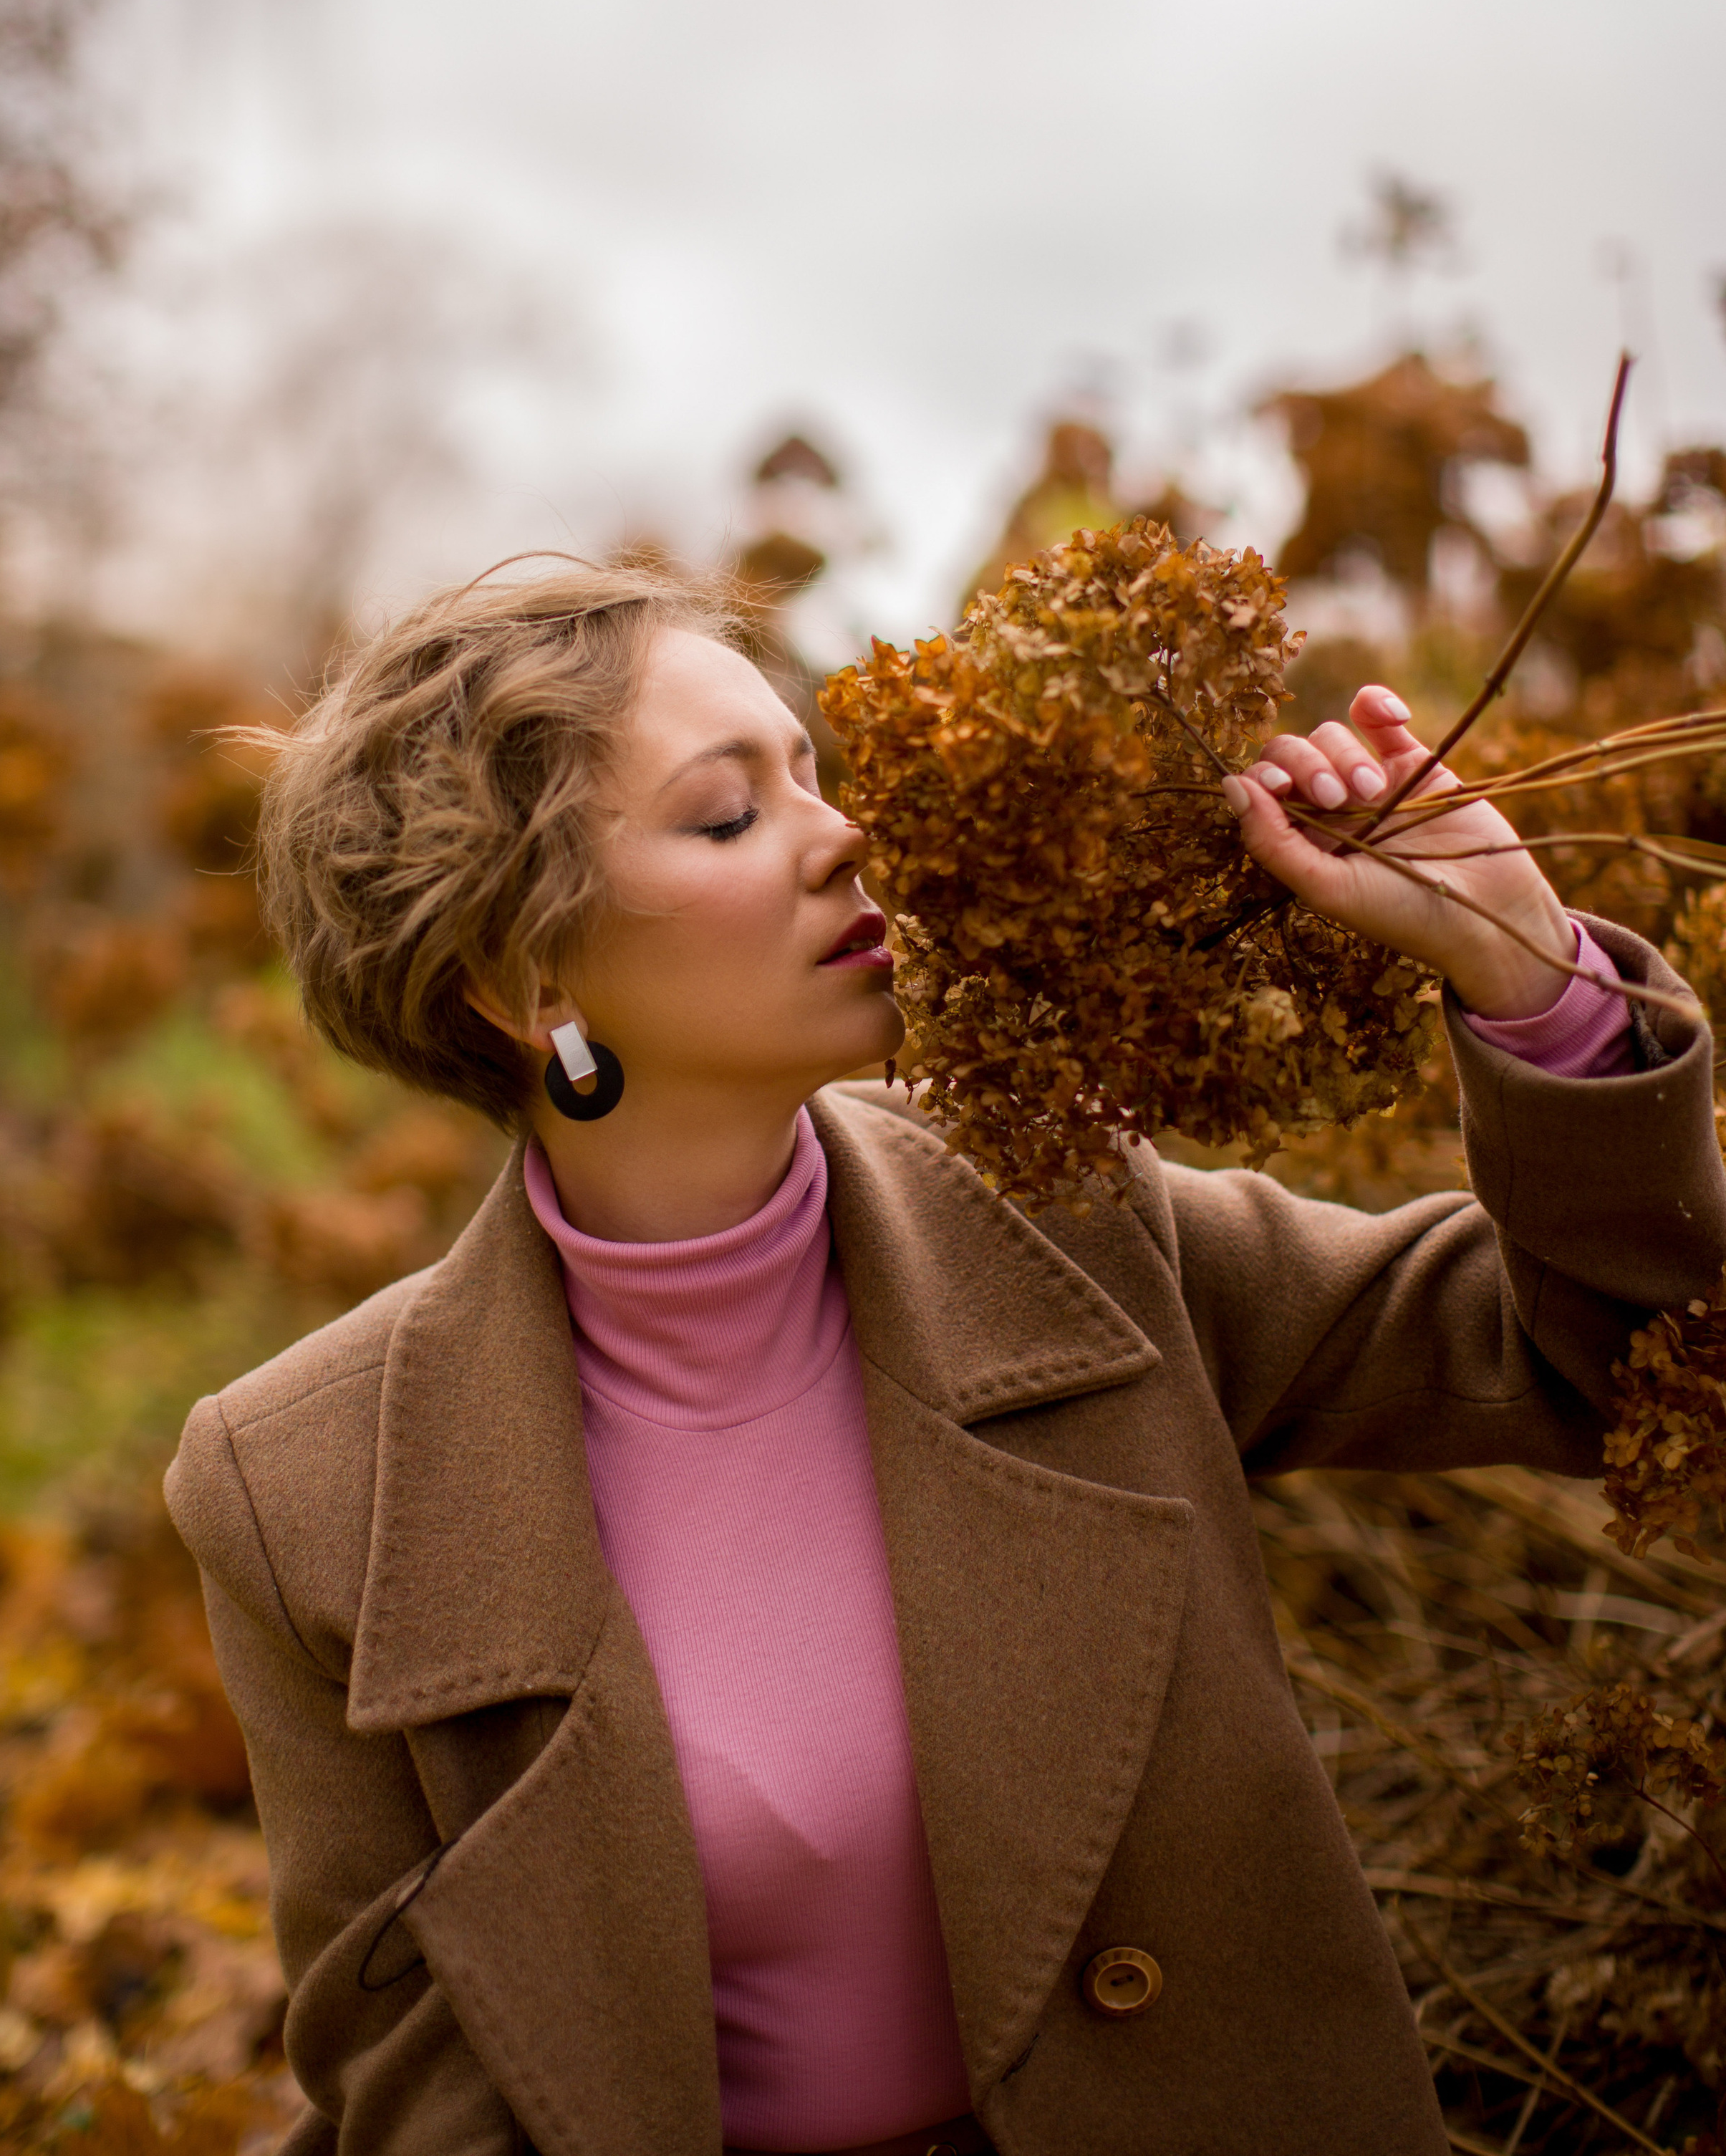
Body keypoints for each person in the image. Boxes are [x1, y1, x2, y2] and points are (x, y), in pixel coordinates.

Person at [165, 559, 1725, 2156]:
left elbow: (1620, 1368)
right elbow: (415, 2076)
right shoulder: (300, 1492)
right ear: (526, 983)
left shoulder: (1061, 1214)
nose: (846, 836)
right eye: (727, 816)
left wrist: (1526, 974)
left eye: (811, 773)